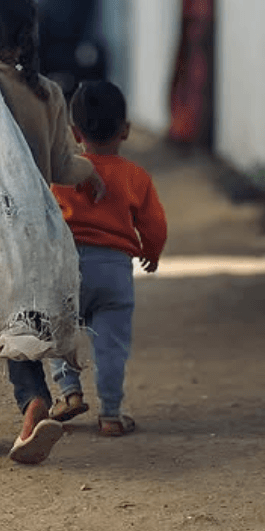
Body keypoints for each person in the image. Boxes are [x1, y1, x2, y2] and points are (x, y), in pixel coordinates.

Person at [0, 0, 106, 463]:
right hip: (29, 232)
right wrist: (90, 172)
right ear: (26, 34)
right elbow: (60, 164)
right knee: (22, 324)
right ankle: (33, 403)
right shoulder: (47, 92)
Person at [47, 80, 167, 436]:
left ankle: (68, 391)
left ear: (74, 132)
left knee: (56, 333)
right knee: (111, 347)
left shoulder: (61, 176)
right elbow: (154, 224)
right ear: (126, 130)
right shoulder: (135, 177)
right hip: (114, 271)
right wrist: (151, 252)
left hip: (65, 267)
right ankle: (111, 414)